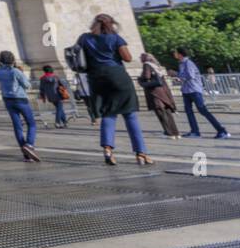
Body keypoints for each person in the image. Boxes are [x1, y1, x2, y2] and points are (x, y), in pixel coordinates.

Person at [77, 14, 152, 165]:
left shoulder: (84, 38)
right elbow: (128, 58)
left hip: (96, 78)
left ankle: (107, 149)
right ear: (111, 24)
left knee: (108, 114)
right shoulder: (114, 37)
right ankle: (141, 153)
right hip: (117, 75)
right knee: (129, 114)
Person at [173, 47, 230, 138]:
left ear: (180, 54)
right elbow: (185, 77)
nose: (174, 54)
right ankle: (195, 131)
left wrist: (176, 74)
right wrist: (178, 78)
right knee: (189, 112)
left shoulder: (188, 63)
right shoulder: (181, 63)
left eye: (175, 52)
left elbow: (190, 76)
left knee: (203, 111)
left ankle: (222, 131)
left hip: (194, 90)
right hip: (186, 90)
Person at [0, 52, 40, 160]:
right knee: (31, 123)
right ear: (13, 60)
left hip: (7, 99)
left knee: (17, 126)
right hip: (20, 99)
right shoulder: (16, 71)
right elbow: (27, 85)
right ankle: (29, 145)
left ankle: (25, 153)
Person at [138, 52, 180, 139]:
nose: (139, 59)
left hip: (155, 92)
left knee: (160, 112)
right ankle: (176, 133)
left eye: (140, 57)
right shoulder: (156, 65)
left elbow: (147, 76)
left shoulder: (147, 64)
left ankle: (169, 134)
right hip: (164, 91)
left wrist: (140, 79)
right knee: (168, 113)